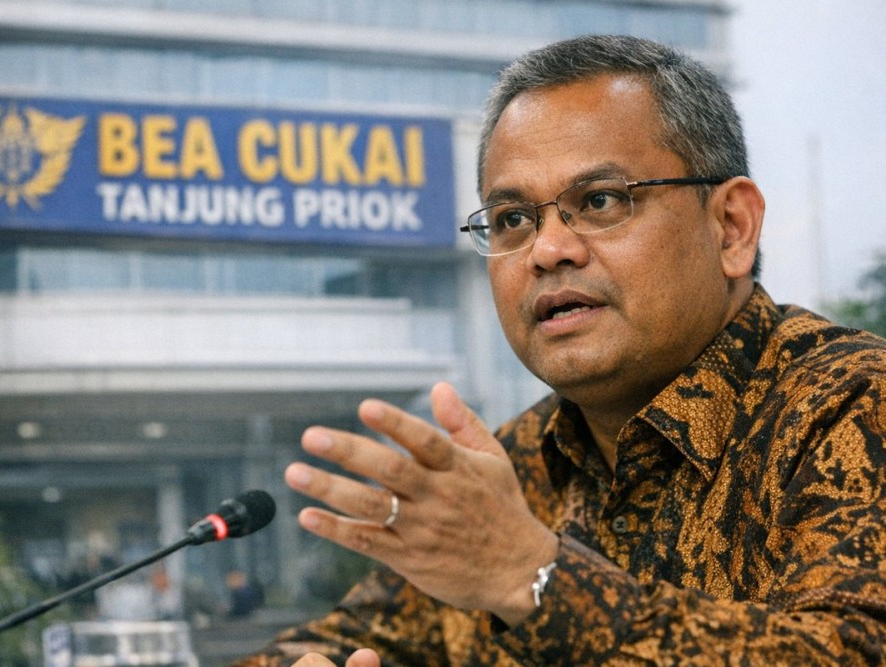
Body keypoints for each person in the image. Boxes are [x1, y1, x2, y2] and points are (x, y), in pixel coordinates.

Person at [234, 34, 886, 666]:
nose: (547, 250)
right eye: (513, 219)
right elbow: (341, 638)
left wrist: (532, 576)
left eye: (600, 201)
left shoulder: (853, 403)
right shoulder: (514, 467)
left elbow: (850, 650)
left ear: (732, 227)